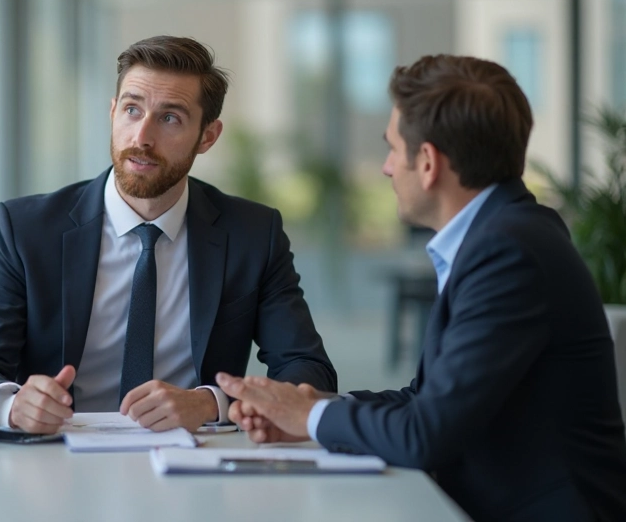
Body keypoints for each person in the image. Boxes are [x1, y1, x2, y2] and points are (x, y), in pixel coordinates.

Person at [216, 55, 626, 522]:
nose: (388, 168)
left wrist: (308, 418)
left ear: (428, 162)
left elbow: (425, 433)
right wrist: (310, 407)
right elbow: (428, 398)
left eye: (393, 149)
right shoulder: (505, 235)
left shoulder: (509, 252)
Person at [0, 35, 336, 434]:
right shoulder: (27, 229)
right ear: (113, 112)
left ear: (208, 136)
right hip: (58, 456)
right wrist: (12, 405)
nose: (142, 138)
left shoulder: (252, 234)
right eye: (132, 110)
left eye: (170, 118)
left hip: (192, 457)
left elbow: (309, 372)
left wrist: (208, 402)